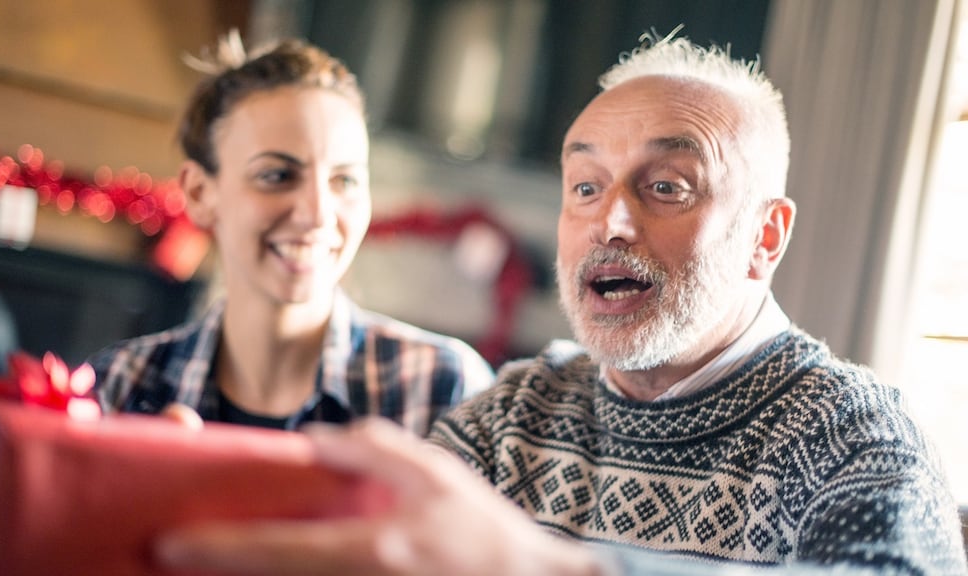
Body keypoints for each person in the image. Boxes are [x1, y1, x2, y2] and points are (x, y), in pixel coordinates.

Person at [151, 34, 968, 575]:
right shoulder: (511, 418)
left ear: (766, 235)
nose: (610, 219)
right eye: (585, 185)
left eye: (666, 187)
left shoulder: (856, 441)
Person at [86, 31, 494, 437]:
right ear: (199, 193)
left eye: (345, 181)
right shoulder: (122, 386)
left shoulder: (445, 388)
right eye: (277, 176)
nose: (318, 214)